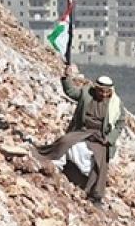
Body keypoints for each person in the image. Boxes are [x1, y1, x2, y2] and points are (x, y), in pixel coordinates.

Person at [32, 63, 124, 206]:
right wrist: (67, 77)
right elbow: (71, 92)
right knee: (65, 141)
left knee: (100, 161)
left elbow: (119, 124)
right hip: (83, 131)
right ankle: (49, 164)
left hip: (100, 137)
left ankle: (96, 195)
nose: (104, 94)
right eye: (101, 91)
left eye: (107, 92)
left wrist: (109, 139)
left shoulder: (115, 104)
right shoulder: (86, 94)